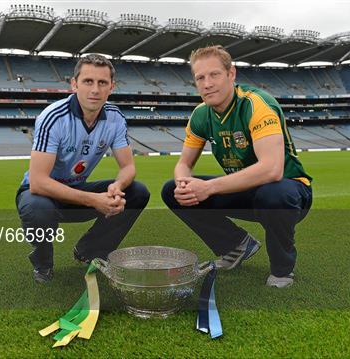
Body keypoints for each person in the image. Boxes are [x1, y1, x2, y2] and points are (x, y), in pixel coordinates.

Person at [161, 45, 312, 288]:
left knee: (273, 193)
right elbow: (184, 163)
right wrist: (183, 183)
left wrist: (208, 188)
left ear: (231, 74)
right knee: (172, 191)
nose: (207, 83)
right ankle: (237, 246)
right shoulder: (201, 114)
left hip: (290, 192)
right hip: (246, 191)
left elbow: (272, 170)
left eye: (214, 75)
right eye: (200, 77)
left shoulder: (256, 104)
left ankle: (282, 270)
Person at [16, 54, 150, 283]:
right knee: (37, 208)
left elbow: (128, 167)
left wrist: (117, 187)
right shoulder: (53, 117)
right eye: (88, 81)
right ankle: (43, 264)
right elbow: (38, 182)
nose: (95, 90)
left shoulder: (115, 118)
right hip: (42, 194)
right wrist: (94, 200)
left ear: (111, 87)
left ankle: (89, 251)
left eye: (102, 83)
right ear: (74, 84)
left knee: (136, 192)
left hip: (75, 192)